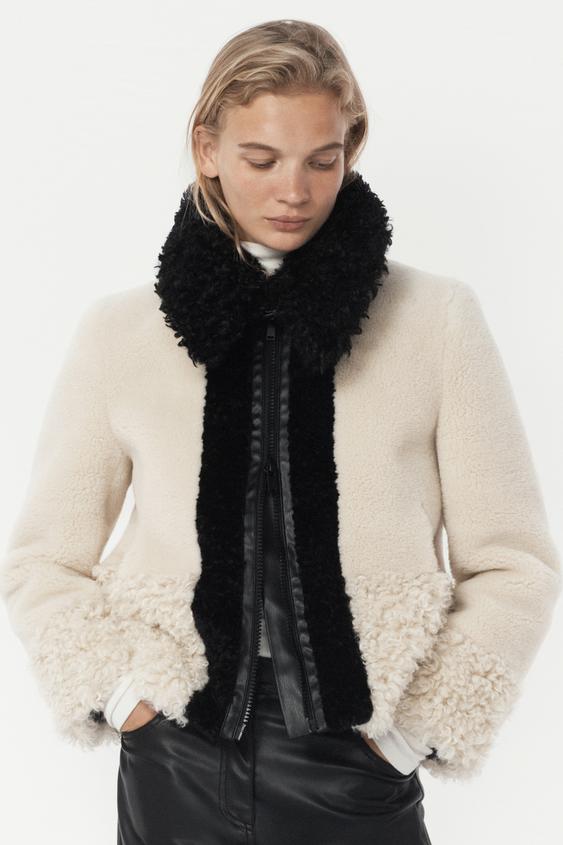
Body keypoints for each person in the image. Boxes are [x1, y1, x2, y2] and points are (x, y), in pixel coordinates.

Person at [1, 18, 560, 845]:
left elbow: (513, 562)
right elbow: (43, 558)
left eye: (320, 160)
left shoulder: (433, 320)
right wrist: (125, 700)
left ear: (350, 149)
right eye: (261, 159)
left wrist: (407, 735)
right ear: (207, 148)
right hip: (174, 754)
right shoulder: (121, 334)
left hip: (356, 759)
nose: (292, 190)